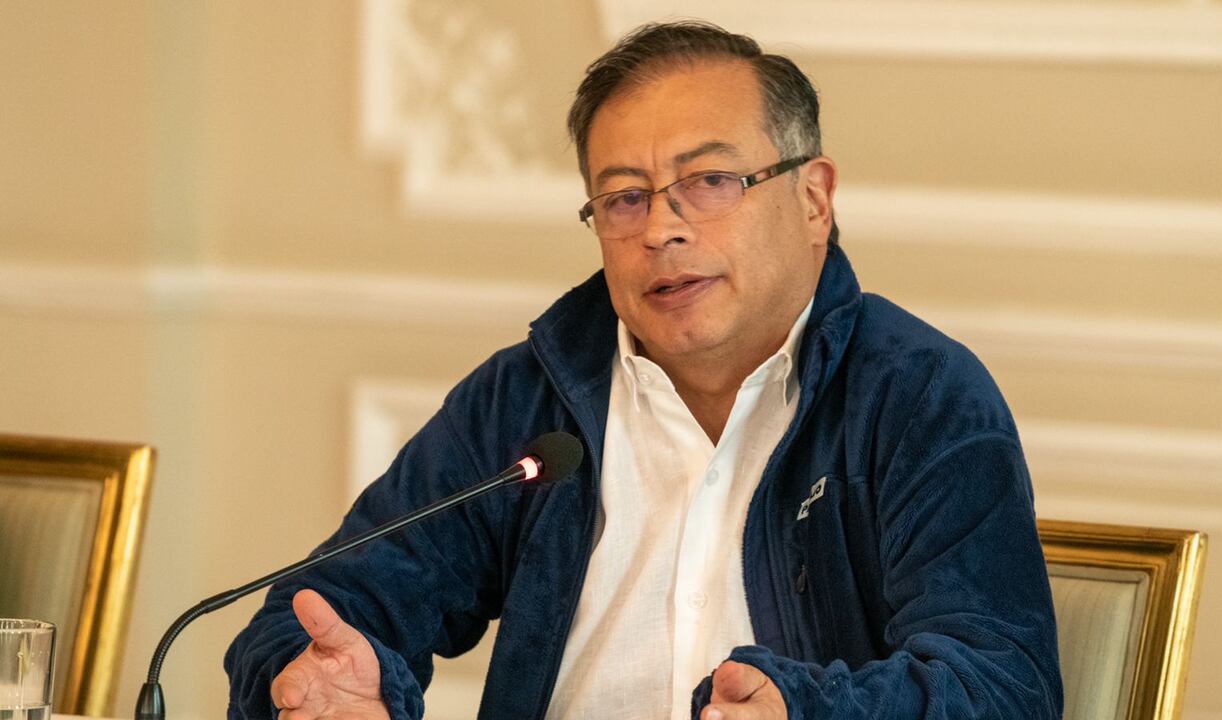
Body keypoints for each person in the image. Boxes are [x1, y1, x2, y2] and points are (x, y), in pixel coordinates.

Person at [225, 21, 1063, 720]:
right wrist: (313, 682)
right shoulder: (529, 402)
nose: (660, 229)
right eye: (624, 197)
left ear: (814, 199)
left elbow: (1000, 688)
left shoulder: (919, 397)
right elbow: (316, 614)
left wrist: (804, 709)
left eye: (710, 181)